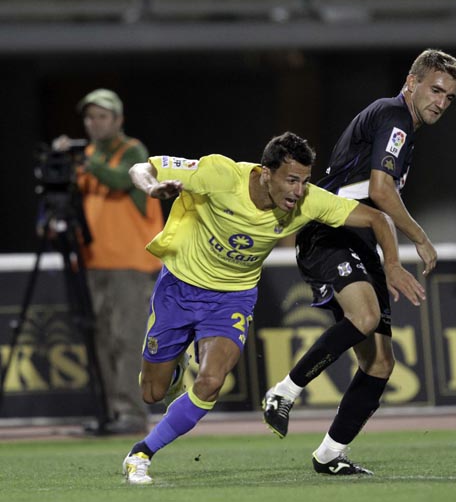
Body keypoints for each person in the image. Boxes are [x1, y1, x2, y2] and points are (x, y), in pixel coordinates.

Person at [121, 131, 425, 484]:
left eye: (305, 181)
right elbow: (142, 168)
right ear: (266, 173)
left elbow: (377, 219)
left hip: (231, 298)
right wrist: (151, 188)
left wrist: (392, 265)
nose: (299, 190)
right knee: (152, 392)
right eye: (291, 180)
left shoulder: (307, 201)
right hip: (178, 288)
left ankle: (141, 453)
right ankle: (173, 370)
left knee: (210, 381)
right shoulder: (220, 174)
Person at [262, 49, 456, 475]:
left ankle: (330, 454)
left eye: (449, 97)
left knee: (380, 363)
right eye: (435, 90)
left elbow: (378, 202)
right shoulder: (395, 116)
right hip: (332, 230)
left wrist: (390, 257)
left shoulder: (400, 123)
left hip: (360, 234)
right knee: (366, 315)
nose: (441, 102)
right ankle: (284, 391)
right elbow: (382, 191)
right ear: (411, 82)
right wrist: (420, 239)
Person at [53, 89, 164, 434]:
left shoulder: (132, 151)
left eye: (102, 116)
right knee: (99, 339)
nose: (94, 122)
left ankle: (132, 414)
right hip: (92, 263)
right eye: (90, 117)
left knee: (126, 338)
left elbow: (119, 181)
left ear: (118, 120)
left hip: (130, 263)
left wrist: (86, 162)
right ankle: (110, 413)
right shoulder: (87, 155)